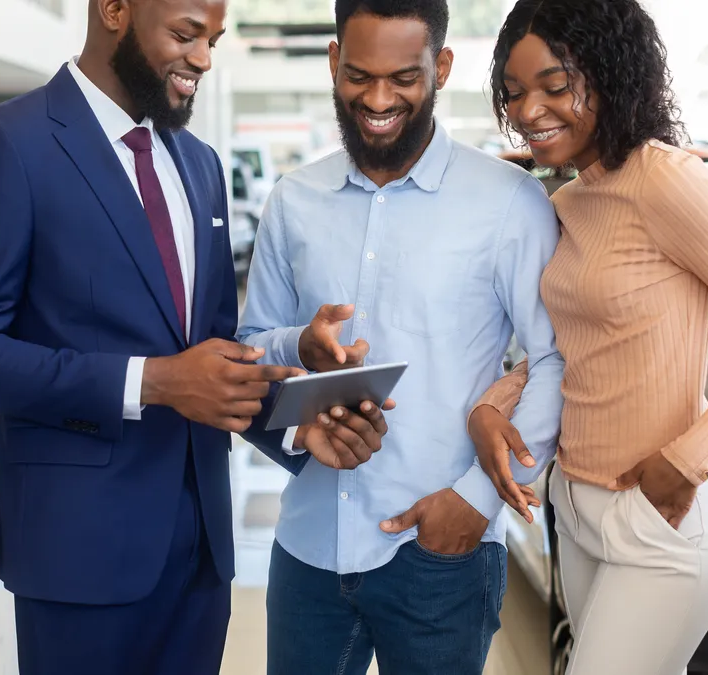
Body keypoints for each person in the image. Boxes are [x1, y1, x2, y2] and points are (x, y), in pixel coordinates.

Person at [0, 1, 391, 673]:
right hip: (79, 559)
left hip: (199, 553)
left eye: (213, 39)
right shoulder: (4, 146)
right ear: (114, 9)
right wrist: (154, 380)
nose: (204, 57)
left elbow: (210, 357)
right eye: (186, 33)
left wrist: (294, 420)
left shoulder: (199, 165)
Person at [467, 1, 708, 673]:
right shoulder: (569, 202)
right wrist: (493, 403)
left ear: (608, 72)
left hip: (660, 518)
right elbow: (570, 343)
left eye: (554, 84)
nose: (529, 110)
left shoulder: (667, 180)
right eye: (513, 94)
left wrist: (690, 457)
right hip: (573, 504)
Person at [236, 1, 564, 673]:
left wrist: (475, 503)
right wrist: (300, 357)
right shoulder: (293, 200)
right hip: (307, 551)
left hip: (441, 552)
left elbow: (556, 359)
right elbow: (248, 354)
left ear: (440, 66)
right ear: (333, 62)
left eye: (403, 77)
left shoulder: (509, 202)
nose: (378, 99)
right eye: (358, 75)